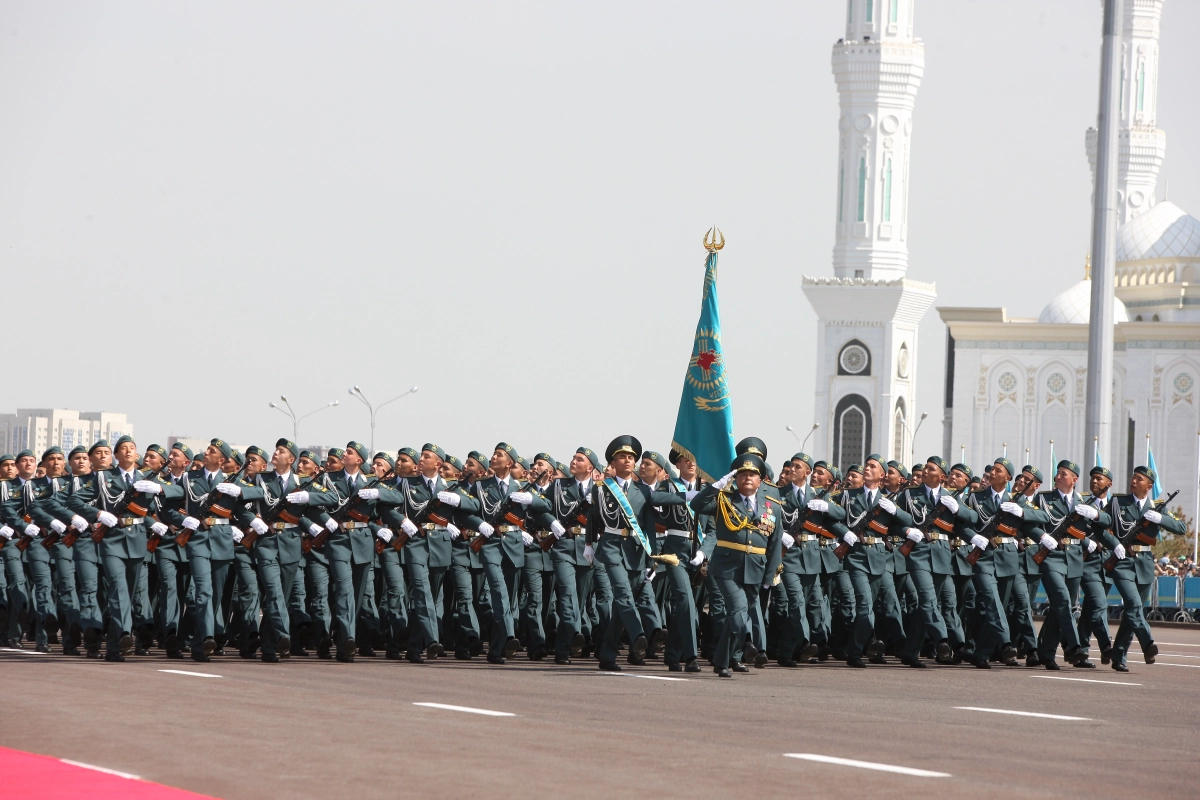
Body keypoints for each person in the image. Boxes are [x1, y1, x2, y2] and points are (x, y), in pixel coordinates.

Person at [588, 436, 681, 672]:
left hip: (636, 550)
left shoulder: (644, 490)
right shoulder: (603, 487)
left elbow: (650, 523)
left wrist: (695, 495)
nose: (628, 460)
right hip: (611, 546)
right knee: (622, 592)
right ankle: (639, 634)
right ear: (613, 461)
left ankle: (607, 655)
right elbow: (593, 518)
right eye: (622, 457)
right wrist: (589, 544)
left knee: (621, 605)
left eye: (631, 457)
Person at [690, 454, 783, 677]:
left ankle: (722, 661)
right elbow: (697, 504)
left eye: (752, 475)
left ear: (760, 481)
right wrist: (716, 486)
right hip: (726, 568)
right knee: (739, 612)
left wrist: (770, 576)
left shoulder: (772, 507)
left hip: (755, 569)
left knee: (736, 617)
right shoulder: (723, 500)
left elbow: (775, 543)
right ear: (735, 479)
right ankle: (741, 648)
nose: (747, 478)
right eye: (742, 475)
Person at [834, 454, 912, 668]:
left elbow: (906, 520)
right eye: (866, 466)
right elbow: (834, 519)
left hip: (880, 557)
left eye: (872, 466)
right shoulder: (848, 496)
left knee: (890, 605)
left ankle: (902, 647)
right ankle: (855, 652)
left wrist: (895, 510)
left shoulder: (887, 501)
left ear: (882, 474)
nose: (866, 469)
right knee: (865, 605)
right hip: (857, 556)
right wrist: (844, 532)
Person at [1106, 466, 1185, 672]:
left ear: (1149, 486)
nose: (1133, 481)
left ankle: (1119, 656)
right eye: (1133, 477)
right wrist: (1114, 544)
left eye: (1139, 479)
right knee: (1133, 604)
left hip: (1144, 563)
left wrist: (1161, 518)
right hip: (1122, 561)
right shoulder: (1117, 502)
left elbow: (1181, 528)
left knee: (1134, 611)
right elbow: (1104, 525)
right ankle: (1148, 643)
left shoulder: (1157, 506)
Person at [534, 447, 602, 665]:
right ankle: (563, 648)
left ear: (590, 467)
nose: (574, 461)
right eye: (573, 458)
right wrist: (551, 522)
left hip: (588, 548)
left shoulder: (600, 489)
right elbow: (538, 508)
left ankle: (572, 641)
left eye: (580, 459)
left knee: (580, 601)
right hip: (563, 547)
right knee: (566, 596)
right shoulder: (558, 485)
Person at [1027, 460, 1093, 669]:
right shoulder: (1044, 498)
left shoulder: (1083, 502)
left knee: (1061, 607)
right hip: (1051, 557)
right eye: (1057, 473)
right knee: (1062, 600)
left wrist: (1096, 519)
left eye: (1063, 474)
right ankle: (1074, 647)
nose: (1057, 477)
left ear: (1074, 479)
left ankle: (1046, 654)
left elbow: (1095, 527)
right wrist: (1042, 536)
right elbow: (1030, 524)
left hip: (1074, 557)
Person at [1076, 466, 1116, 665]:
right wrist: (1087, 542)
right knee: (1099, 603)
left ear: (1108, 484)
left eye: (1099, 478)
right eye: (1092, 478)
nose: (1094, 481)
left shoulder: (1116, 506)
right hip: (1088, 561)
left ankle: (1080, 651)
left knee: (1090, 608)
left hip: (1109, 562)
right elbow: (1072, 528)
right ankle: (1106, 646)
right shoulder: (1082, 502)